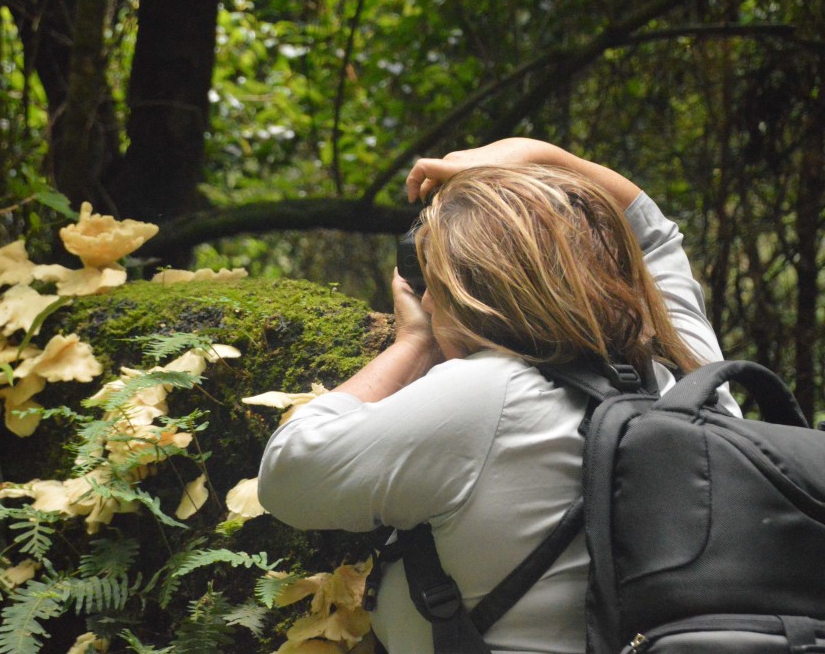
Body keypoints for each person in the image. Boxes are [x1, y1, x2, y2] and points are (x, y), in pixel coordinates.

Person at [257, 138, 739, 654]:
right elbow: (657, 240)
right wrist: (544, 156)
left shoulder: (482, 396)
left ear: (462, 290)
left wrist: (415, 343)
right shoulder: (690, 378)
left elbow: (287, 474)